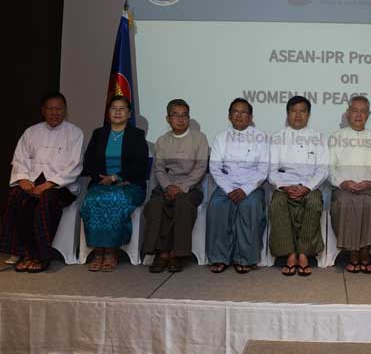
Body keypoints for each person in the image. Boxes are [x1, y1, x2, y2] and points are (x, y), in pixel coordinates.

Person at [0, 92, 83, 273]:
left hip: (61, 187)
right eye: (50, 109)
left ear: (65, 111)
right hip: (32, 182)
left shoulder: (74, 133)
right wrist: (23, 180)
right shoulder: (31, 132)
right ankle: (23, 252)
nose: (54, 113)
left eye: (58, 109)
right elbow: (19, 160)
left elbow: (74, 166)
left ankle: (42, 255)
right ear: (43, 111)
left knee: (46, 200)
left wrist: (49, 184)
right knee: (15, 197)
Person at [81, 95, 149, 272]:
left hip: (130, 185)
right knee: (91, 201)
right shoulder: (99, 134)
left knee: (116, 199)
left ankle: (111, 251)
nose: (118, 112)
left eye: (122, 108)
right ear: (108, 112)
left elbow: (140, 166)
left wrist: (116, 177)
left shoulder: (137, 135)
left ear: (129, 113)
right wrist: (102, 178)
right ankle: (98, 251)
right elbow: (88, 163)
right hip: (101, 184)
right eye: (114, 108)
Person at [143, 99, 209, 273]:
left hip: (190, 187)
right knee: (155, 205)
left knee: (182, 204)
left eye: (184, 115)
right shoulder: (162, 140)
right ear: (167, 118)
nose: (180, 119)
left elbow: (201, 168)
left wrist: (182, 187)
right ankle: (160, 252)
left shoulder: (199, 138)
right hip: (166, 185)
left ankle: (177, 254)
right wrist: (168, 186)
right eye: (176, 115)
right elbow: (159, 169)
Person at [207, 98, 269, 274]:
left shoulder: (261, 137)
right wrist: (229, 189)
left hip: (251, 187)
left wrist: (245, 190)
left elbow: (263, 169)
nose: (239, 115)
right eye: (235, 111)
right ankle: (219, 257)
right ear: (229, 115)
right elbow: (215, 168)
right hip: (226, 186)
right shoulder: (221, 138)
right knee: (217, 205)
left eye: (244, 112)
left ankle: (246, 258)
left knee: (250, 205)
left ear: (250, 117)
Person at [268, 96, 328, 277]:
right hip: (284, 187)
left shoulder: (318, 137)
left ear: (308, 114)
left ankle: (303, 253)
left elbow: (323, 169)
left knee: (314, 203)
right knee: (277, 203)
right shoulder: (277, 138)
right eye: (293, 111)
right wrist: (285, 187)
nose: (298, 115)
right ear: (287, 114)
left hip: (309, 187)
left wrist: (306, 187)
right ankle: (290, 254)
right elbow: (271, 170)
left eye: (302, 111)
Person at [328, 96, 371, 274]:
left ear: (369, 114)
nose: (358, 115)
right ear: (348, 113)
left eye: (363, 111)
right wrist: (343, 182)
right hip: (343, 189)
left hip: (368, 189)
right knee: (346, 203)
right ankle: (353, 254)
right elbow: (329, 168)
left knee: (369, 203)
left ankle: (365, 253)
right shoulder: (336, 137)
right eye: (355, 111)